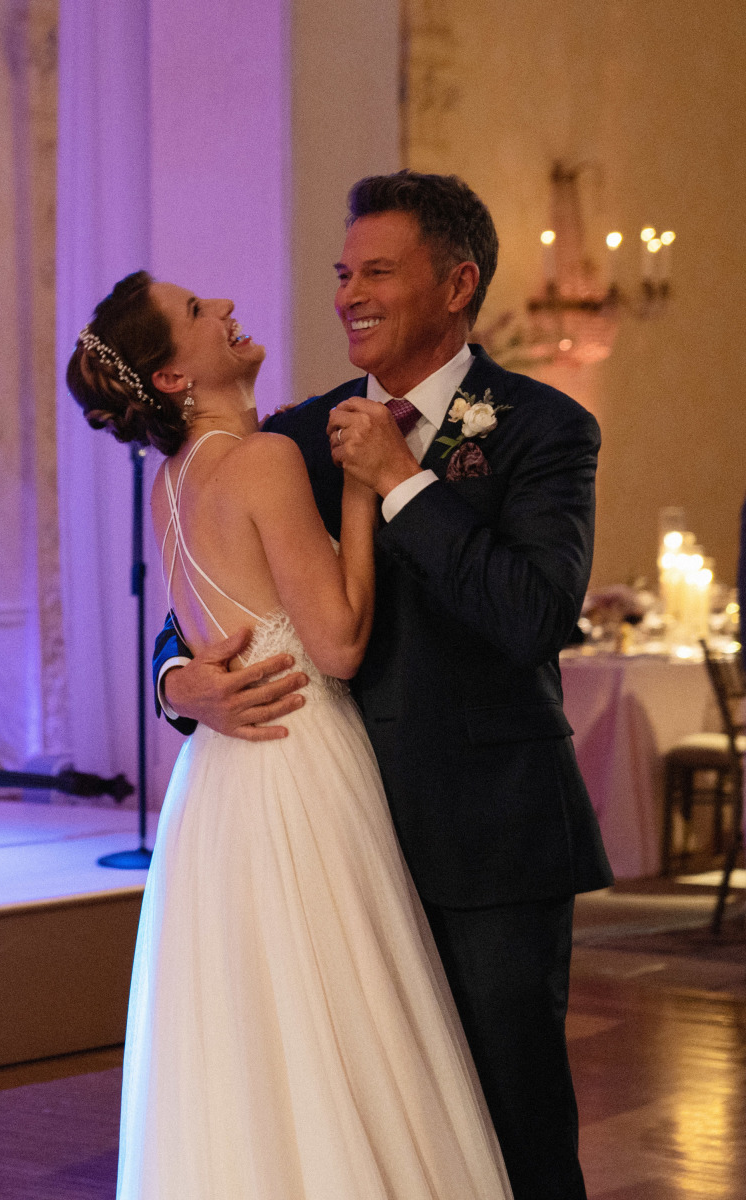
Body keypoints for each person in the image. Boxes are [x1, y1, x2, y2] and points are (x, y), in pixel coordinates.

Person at [156, 171, 614, 1200]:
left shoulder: (543, 428)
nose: (346, 294)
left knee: (510, 1116)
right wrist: (180, 683)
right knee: (374, 1127)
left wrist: (401, 485)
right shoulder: (295, 434)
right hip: (330, 841)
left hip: (485, 835)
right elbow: (202, 595)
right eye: (340, 273)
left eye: (376, 271)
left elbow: (533, 614)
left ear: (457, 285)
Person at [67, 270, 514, 1199]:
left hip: (220, 789)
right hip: (301, 758)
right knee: (340, 1019)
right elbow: (341, 644)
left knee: (255, 1040)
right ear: (173, 379)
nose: (226, 305)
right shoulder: (266, 458)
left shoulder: (172, 487)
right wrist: (362, 488)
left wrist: (186, 681)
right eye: (196, 312)